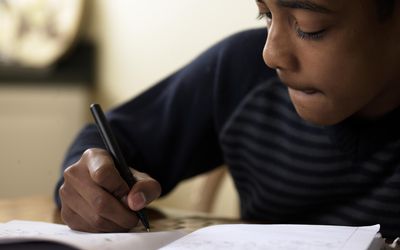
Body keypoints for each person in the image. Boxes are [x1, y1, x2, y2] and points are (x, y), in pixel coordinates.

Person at [55, 0, 400, 239]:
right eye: (265, 15)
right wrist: (93, 185)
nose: (271, 53)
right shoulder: (241, 74)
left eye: (309, 27)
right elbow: (109, 139)